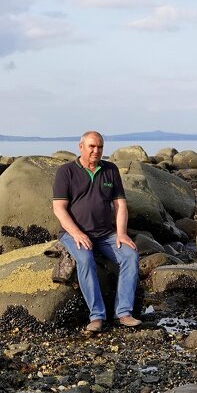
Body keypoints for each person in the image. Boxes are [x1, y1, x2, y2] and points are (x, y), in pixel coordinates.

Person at [52, 130, 141, 333]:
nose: (96, 150)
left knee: (130, 254)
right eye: (92, 146)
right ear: (81, 147)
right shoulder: (66, 172)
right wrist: (76, 233)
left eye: (100, 146)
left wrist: (121, 233)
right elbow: (59, 208)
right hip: (74, 233)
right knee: (85, 258)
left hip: (105, 234)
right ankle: (97, 316)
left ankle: (124, 313)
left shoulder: (110, 170)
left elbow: (120, 204)